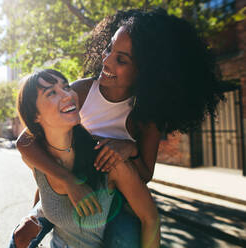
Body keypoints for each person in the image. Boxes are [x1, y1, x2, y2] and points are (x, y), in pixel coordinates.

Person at [12, 8, 224, 248]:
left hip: (114, 204)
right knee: (20, 237)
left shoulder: (147, 117)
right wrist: (69, 181)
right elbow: (25, 142)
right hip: (62, 191)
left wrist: (130, 148)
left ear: (146, 72)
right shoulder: (81, 91)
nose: (106, 60)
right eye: (108, 49)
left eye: (121, 59)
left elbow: (145, 174)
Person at [13, 69, 160, 248]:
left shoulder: (109, 162)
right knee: (17, 238)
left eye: (66, 87)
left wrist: (131, 149)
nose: (67, 95)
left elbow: (150, 219)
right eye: (51, 92)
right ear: (35, 116)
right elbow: (45, 198)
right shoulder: (37, 159)